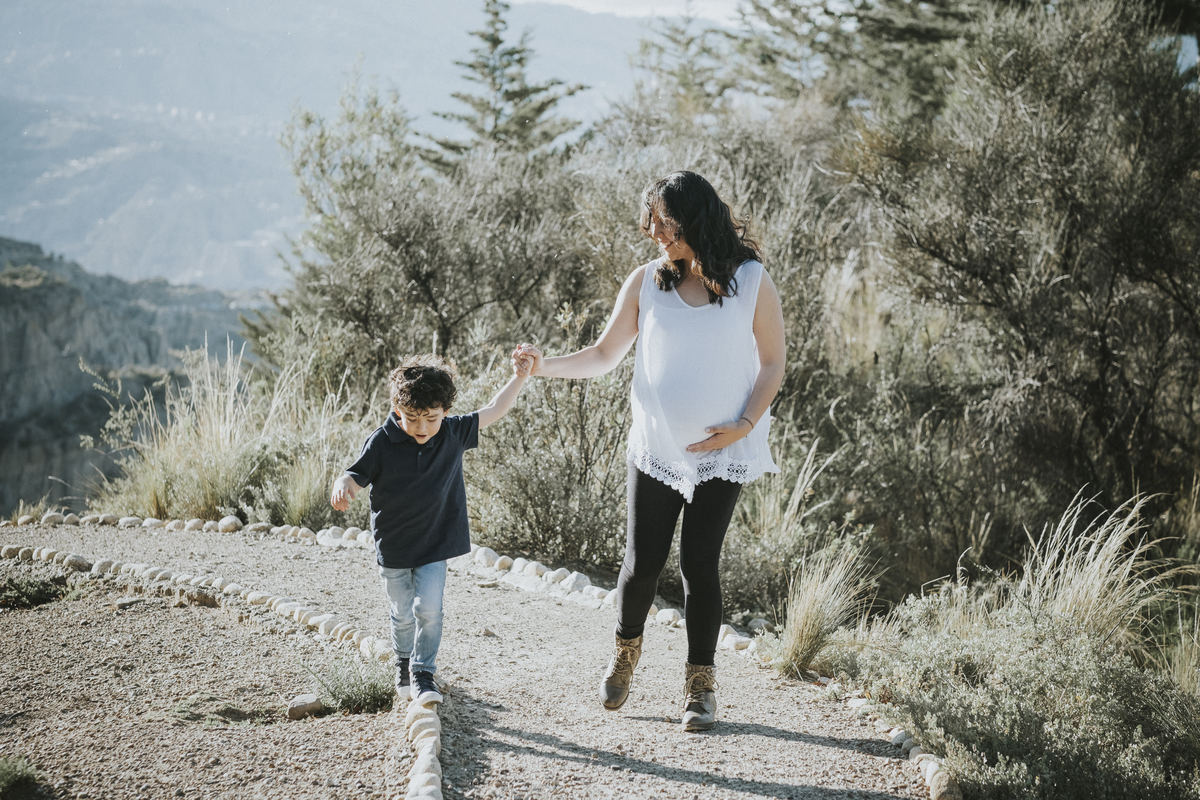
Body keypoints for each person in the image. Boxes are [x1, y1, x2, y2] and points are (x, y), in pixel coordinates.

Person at [517, 170, 785, 732]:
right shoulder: (648, 282)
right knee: (641, 567)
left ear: (698, 218)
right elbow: (602, 354)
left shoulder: (751, 281)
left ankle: (700, 687)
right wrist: (545, 367)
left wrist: (743, 425)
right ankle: (625, 654)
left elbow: (773, 364)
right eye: (652, 222)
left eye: (667, 221)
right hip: (657, 449)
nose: (657, 232)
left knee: (699, 567)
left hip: (721, 453)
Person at [330, 351, 532, 705]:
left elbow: (495, 409)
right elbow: (355, 473)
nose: (421, 428)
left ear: (445, 413)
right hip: (393, 546)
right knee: (402, 612)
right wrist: (343, 484)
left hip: (435, 544)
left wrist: (519, 377)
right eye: (411, 418)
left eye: (431, 419)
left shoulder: (453, 433)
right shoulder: (381, 441)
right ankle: (402, 662)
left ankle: (423, 673)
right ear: (397, 411)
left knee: (430, 609)